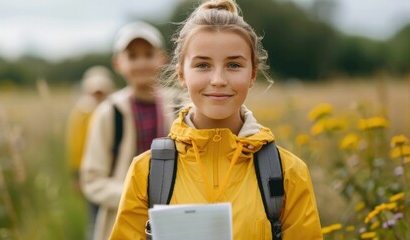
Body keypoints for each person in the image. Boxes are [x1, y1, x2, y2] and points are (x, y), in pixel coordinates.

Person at [110, 0, 322, 239]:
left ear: (252, 74)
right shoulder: (147, 172)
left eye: (233, 64)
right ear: (182, 74)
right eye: (202, 65)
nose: (218, 79)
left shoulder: (288, 173)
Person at [79, 21, 173, 240]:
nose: (141, 62)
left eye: (148, 54)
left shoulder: (181, 106)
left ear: (162, 58)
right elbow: (92, 179)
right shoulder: (108, 113)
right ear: (118, 63)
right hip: (123, 222)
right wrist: (135, 195)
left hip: (173, 222)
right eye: (132, 56)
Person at [66, 65, 115, 179]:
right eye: (95, 92)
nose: (98, 96)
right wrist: (77, 174)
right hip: (88, 170)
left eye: (101, 92)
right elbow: (76, 145)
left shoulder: (116, 110)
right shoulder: (81, 113)